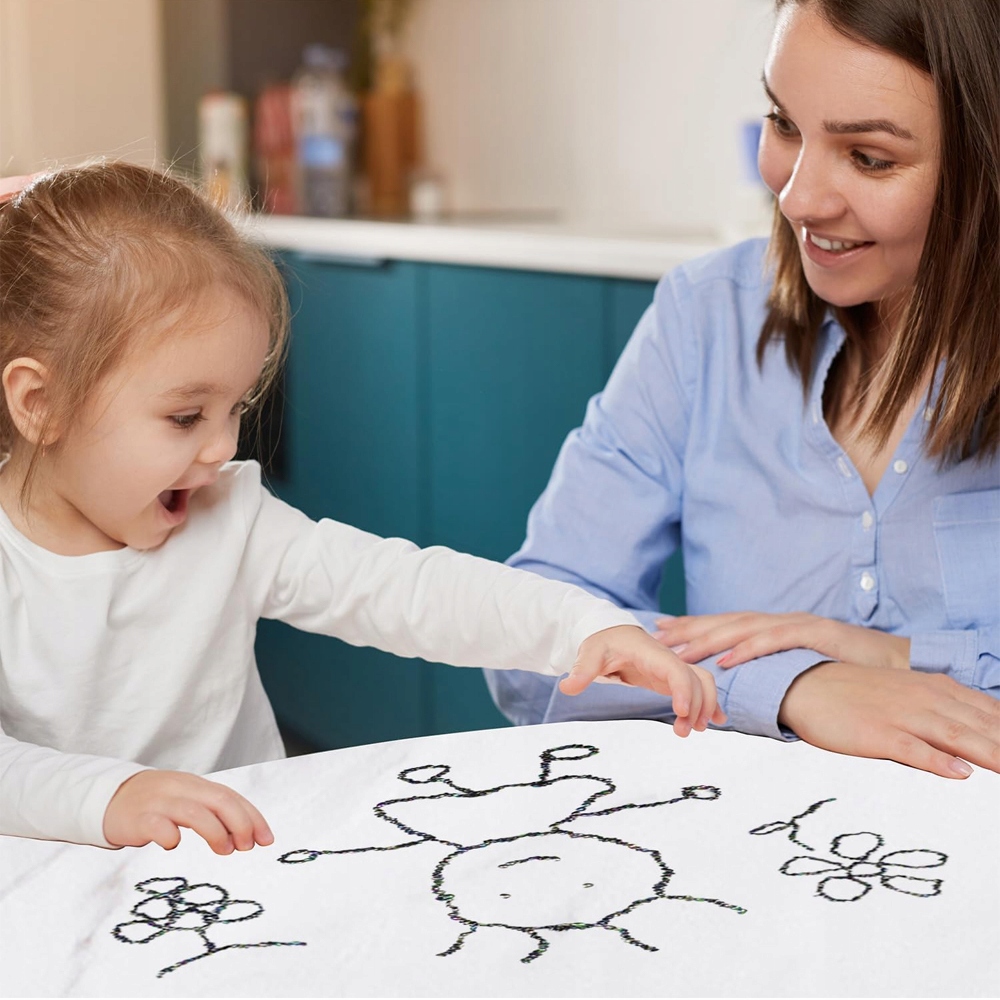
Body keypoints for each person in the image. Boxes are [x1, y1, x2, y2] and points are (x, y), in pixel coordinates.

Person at [0, 163, 726, 856]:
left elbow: (406, 590)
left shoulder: (230, 519)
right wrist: (112, 796)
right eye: (186, 417)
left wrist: (583, 625)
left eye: (237, 407)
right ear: (40, 403)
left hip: (237, 878)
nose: (223, 447)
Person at [486, 0, 1000, 779]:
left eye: (869, 158)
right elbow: (528, 639)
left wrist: (897, 658)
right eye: (785, 124)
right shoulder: (706, 317)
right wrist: (792, 685)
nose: (797, 199)